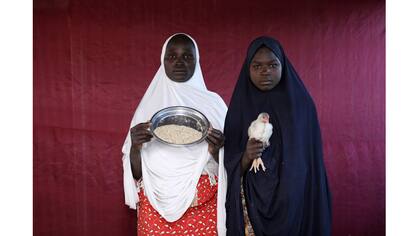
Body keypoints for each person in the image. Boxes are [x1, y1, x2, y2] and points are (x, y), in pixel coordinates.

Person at [224, 36, 332, 236]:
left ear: (283, 66)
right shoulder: (239, 108)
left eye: (273, 65)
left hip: (295, 202)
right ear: (248, 69)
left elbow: (310, 163)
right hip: (252, 204)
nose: (265, 71)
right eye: (257, 66)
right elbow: (228, 162)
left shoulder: (302, 106)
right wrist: (246, 156)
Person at [122, 33, 228, 235]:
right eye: (172, 57)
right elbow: (137, 173)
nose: (179, 63)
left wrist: (218, 151)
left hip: (204, 207)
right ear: (163, 61)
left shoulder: (214, 105)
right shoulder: (147, 108)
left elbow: (230, 163)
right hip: (155, 207)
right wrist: (135, 147)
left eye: (187, 57)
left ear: (197, 61)